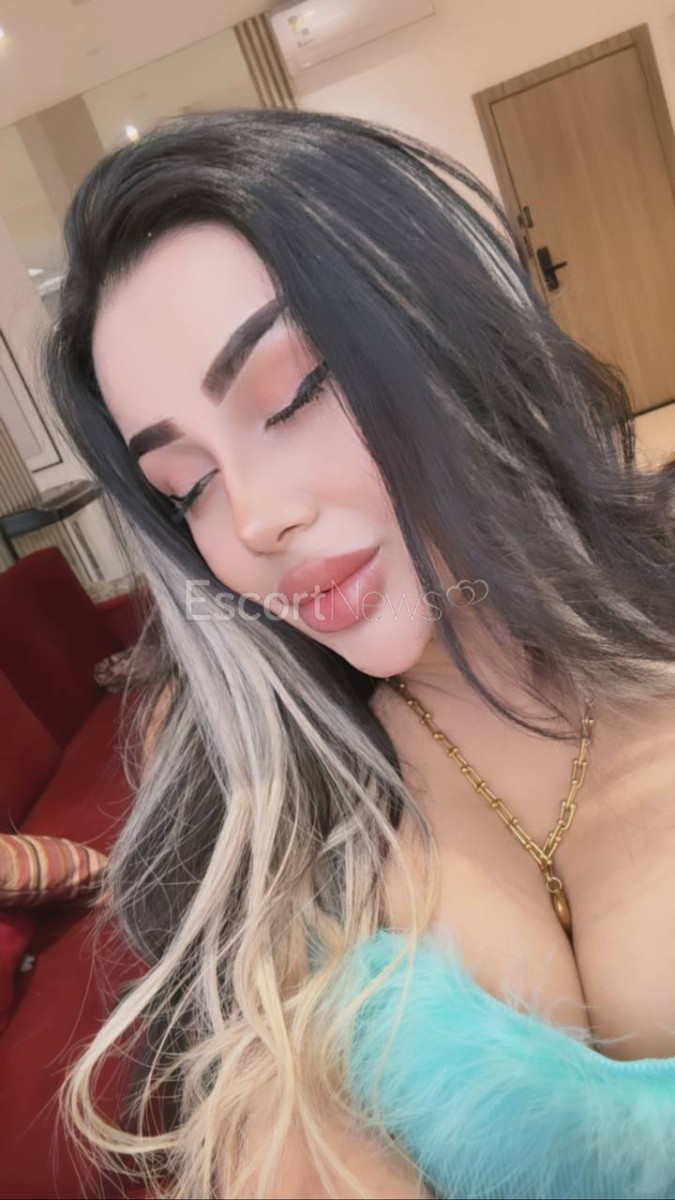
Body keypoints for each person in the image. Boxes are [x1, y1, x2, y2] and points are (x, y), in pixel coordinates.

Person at [42, 107, 675, 1200]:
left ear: (444, 325)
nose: (254, 520)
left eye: (292, 394)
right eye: (187, 486)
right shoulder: (257, 818)